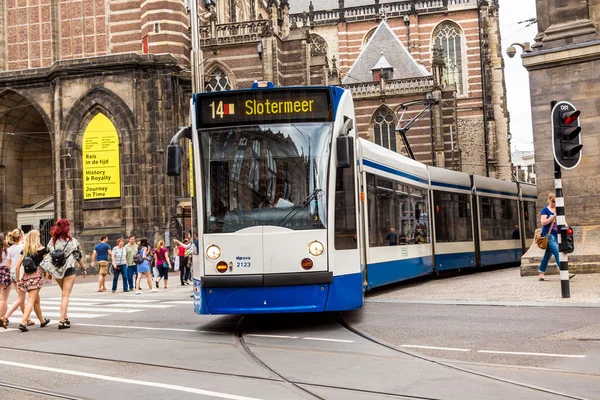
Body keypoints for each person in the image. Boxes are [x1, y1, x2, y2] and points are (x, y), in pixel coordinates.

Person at [42, 219, 85, 330]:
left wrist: (48, 271)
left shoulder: (52, 241)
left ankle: (65, 318)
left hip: (56, 271)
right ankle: (61, 321)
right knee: (65, 295)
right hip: (68, 270)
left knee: (63, 294)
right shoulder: (72, 241)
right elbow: (78, 255)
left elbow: (49, 255)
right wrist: (83, 268)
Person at [4, 230, 50, 332]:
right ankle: (23, 323)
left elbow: (17, 266)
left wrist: (18, 279)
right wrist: (49, 275)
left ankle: (42, 321)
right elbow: (47, 264)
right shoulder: (42, 249)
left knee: (36, 300)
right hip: (36, 276)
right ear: (37, 238)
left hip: (26, 276)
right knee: (31, 300)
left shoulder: (25, 250)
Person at [538, 193, 559, 281]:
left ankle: (541, 273)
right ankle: (565, 272)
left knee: (547, 255)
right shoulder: (545, 210)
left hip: (557, 234)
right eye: (553, 201)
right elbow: (543, 222)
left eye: (556, 201)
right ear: (550, 200)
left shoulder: (558, 209)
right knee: (557, 252)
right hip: (549, 234)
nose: (555, 203)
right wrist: (553, 217)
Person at [0, 233, 11, 321]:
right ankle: (1, 317)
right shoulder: (7, 250)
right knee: (4, 299)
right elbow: (9, 264)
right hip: (5, 274)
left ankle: (3, 317)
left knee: (3, 299)